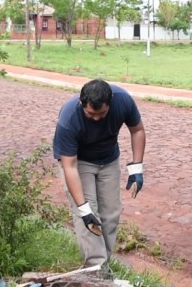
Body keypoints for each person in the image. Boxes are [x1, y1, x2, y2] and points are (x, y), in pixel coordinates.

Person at [52, 78, 146, 270]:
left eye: (102, 113)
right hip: (80, 163)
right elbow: (69, 166)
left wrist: (137, 167)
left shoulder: (123, 100)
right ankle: (95, 269)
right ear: (81, 103)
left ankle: (105, 266)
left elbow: (137, 130)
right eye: (91, 114)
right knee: (89, 216)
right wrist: (83, 209)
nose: (96, 118)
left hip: (109, 159)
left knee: (111, 214)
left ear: (110, 104)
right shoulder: (69, 118)